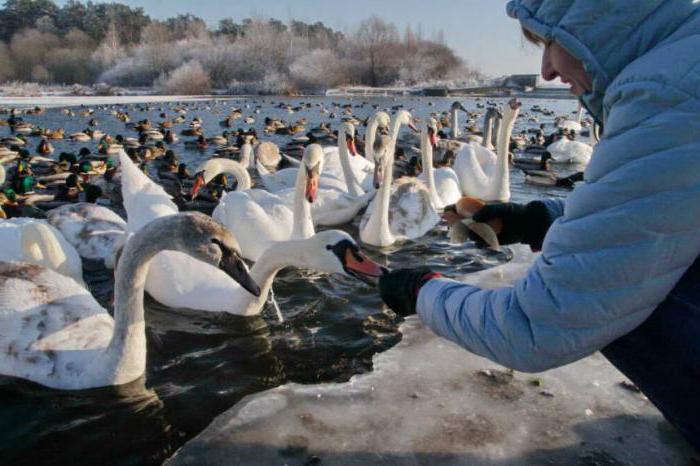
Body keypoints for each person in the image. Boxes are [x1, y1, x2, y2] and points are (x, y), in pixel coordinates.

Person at [379, 0, 700, 451]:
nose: (545, 71)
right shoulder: (688, 56)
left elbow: (537, 327)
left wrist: (423, 291)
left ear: (597, 22)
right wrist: (541, 221)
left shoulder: (667, 98)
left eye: (550, 41)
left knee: (620, 298)